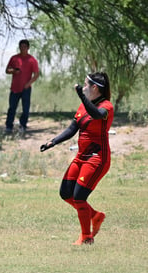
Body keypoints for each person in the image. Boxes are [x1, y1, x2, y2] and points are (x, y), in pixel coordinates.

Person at [40, 72, 114, 245]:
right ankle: (95, 216)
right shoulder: (82, 107)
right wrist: (53, 141)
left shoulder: (107, 106)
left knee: (79, 197)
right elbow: (72, 129)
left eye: (86, 84)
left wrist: (81, 95)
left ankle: (86, 237)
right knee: (66, 193)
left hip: (97, 158)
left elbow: (96, 114)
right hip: (81, 157)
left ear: (95, 88)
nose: (84, 86)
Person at [5, 39, 39, 135]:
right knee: (12, 108)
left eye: (24, 47)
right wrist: (13, 71)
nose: (22, 49)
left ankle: (23, 125)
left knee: (25, 108)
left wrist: (28, 84)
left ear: (28, 48)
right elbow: (7, 70)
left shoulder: (32, 60)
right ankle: (8, 126)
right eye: (21, 47)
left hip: (26, 88)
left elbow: (36, 74)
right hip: (15, 88)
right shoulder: (14, 58)